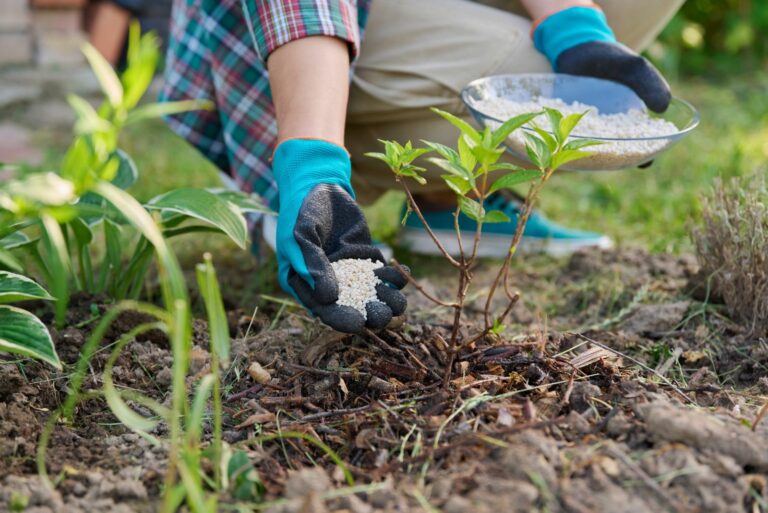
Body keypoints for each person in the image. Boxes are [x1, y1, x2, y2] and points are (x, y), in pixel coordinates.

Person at [160, 0, 684, 333]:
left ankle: (447, 202)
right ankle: (285, 153)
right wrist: (311, 166)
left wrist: (573, 26)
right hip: (275, 29)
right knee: (530, 84)